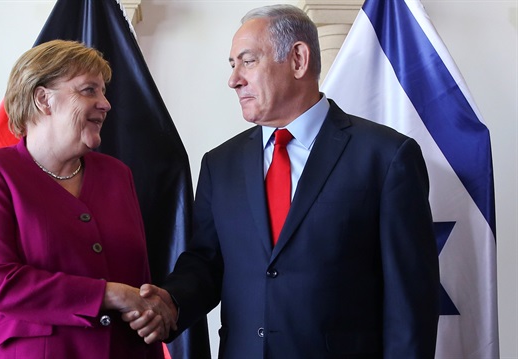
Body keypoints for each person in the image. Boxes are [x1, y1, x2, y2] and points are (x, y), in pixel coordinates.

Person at [132, 4, 440, 358]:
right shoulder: (220, 164)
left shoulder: (386, 157)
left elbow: (410, 302)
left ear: (298, 59)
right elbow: (206, 264)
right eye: (232, 66)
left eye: (247, 61)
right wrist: (170, 302)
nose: (234, 80)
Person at [0, 40, 175, 359]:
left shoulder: (117, 174)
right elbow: (0, 281)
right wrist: (109, 294)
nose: (105, 103)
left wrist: (149, 315)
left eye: (103, 92)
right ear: (44, 99)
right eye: (89, 90)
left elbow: (138, 282)